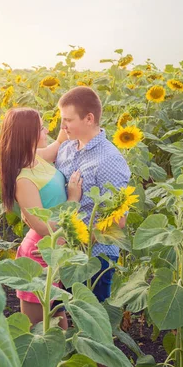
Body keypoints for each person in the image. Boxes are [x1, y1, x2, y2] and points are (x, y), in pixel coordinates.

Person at [0, 107, 80, 329]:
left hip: (54, 252)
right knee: (38, 334)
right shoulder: (23, 179)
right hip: (39, 256)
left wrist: (68, 125)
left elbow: (57, 146)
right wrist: (73, 199)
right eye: (41, 128)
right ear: (27, 135)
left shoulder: (36, 158)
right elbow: (44, 227)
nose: (46, 131)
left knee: (58, 333)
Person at [54, 86, 131, 302]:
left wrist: (84, 241)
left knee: (90, 322)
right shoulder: (67, 149)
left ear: (89, 118)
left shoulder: (109, 159)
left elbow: (119, 218)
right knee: (65, 317)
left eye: (68, 120)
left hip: (96, 256)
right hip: (68, 252)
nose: (62, 126)